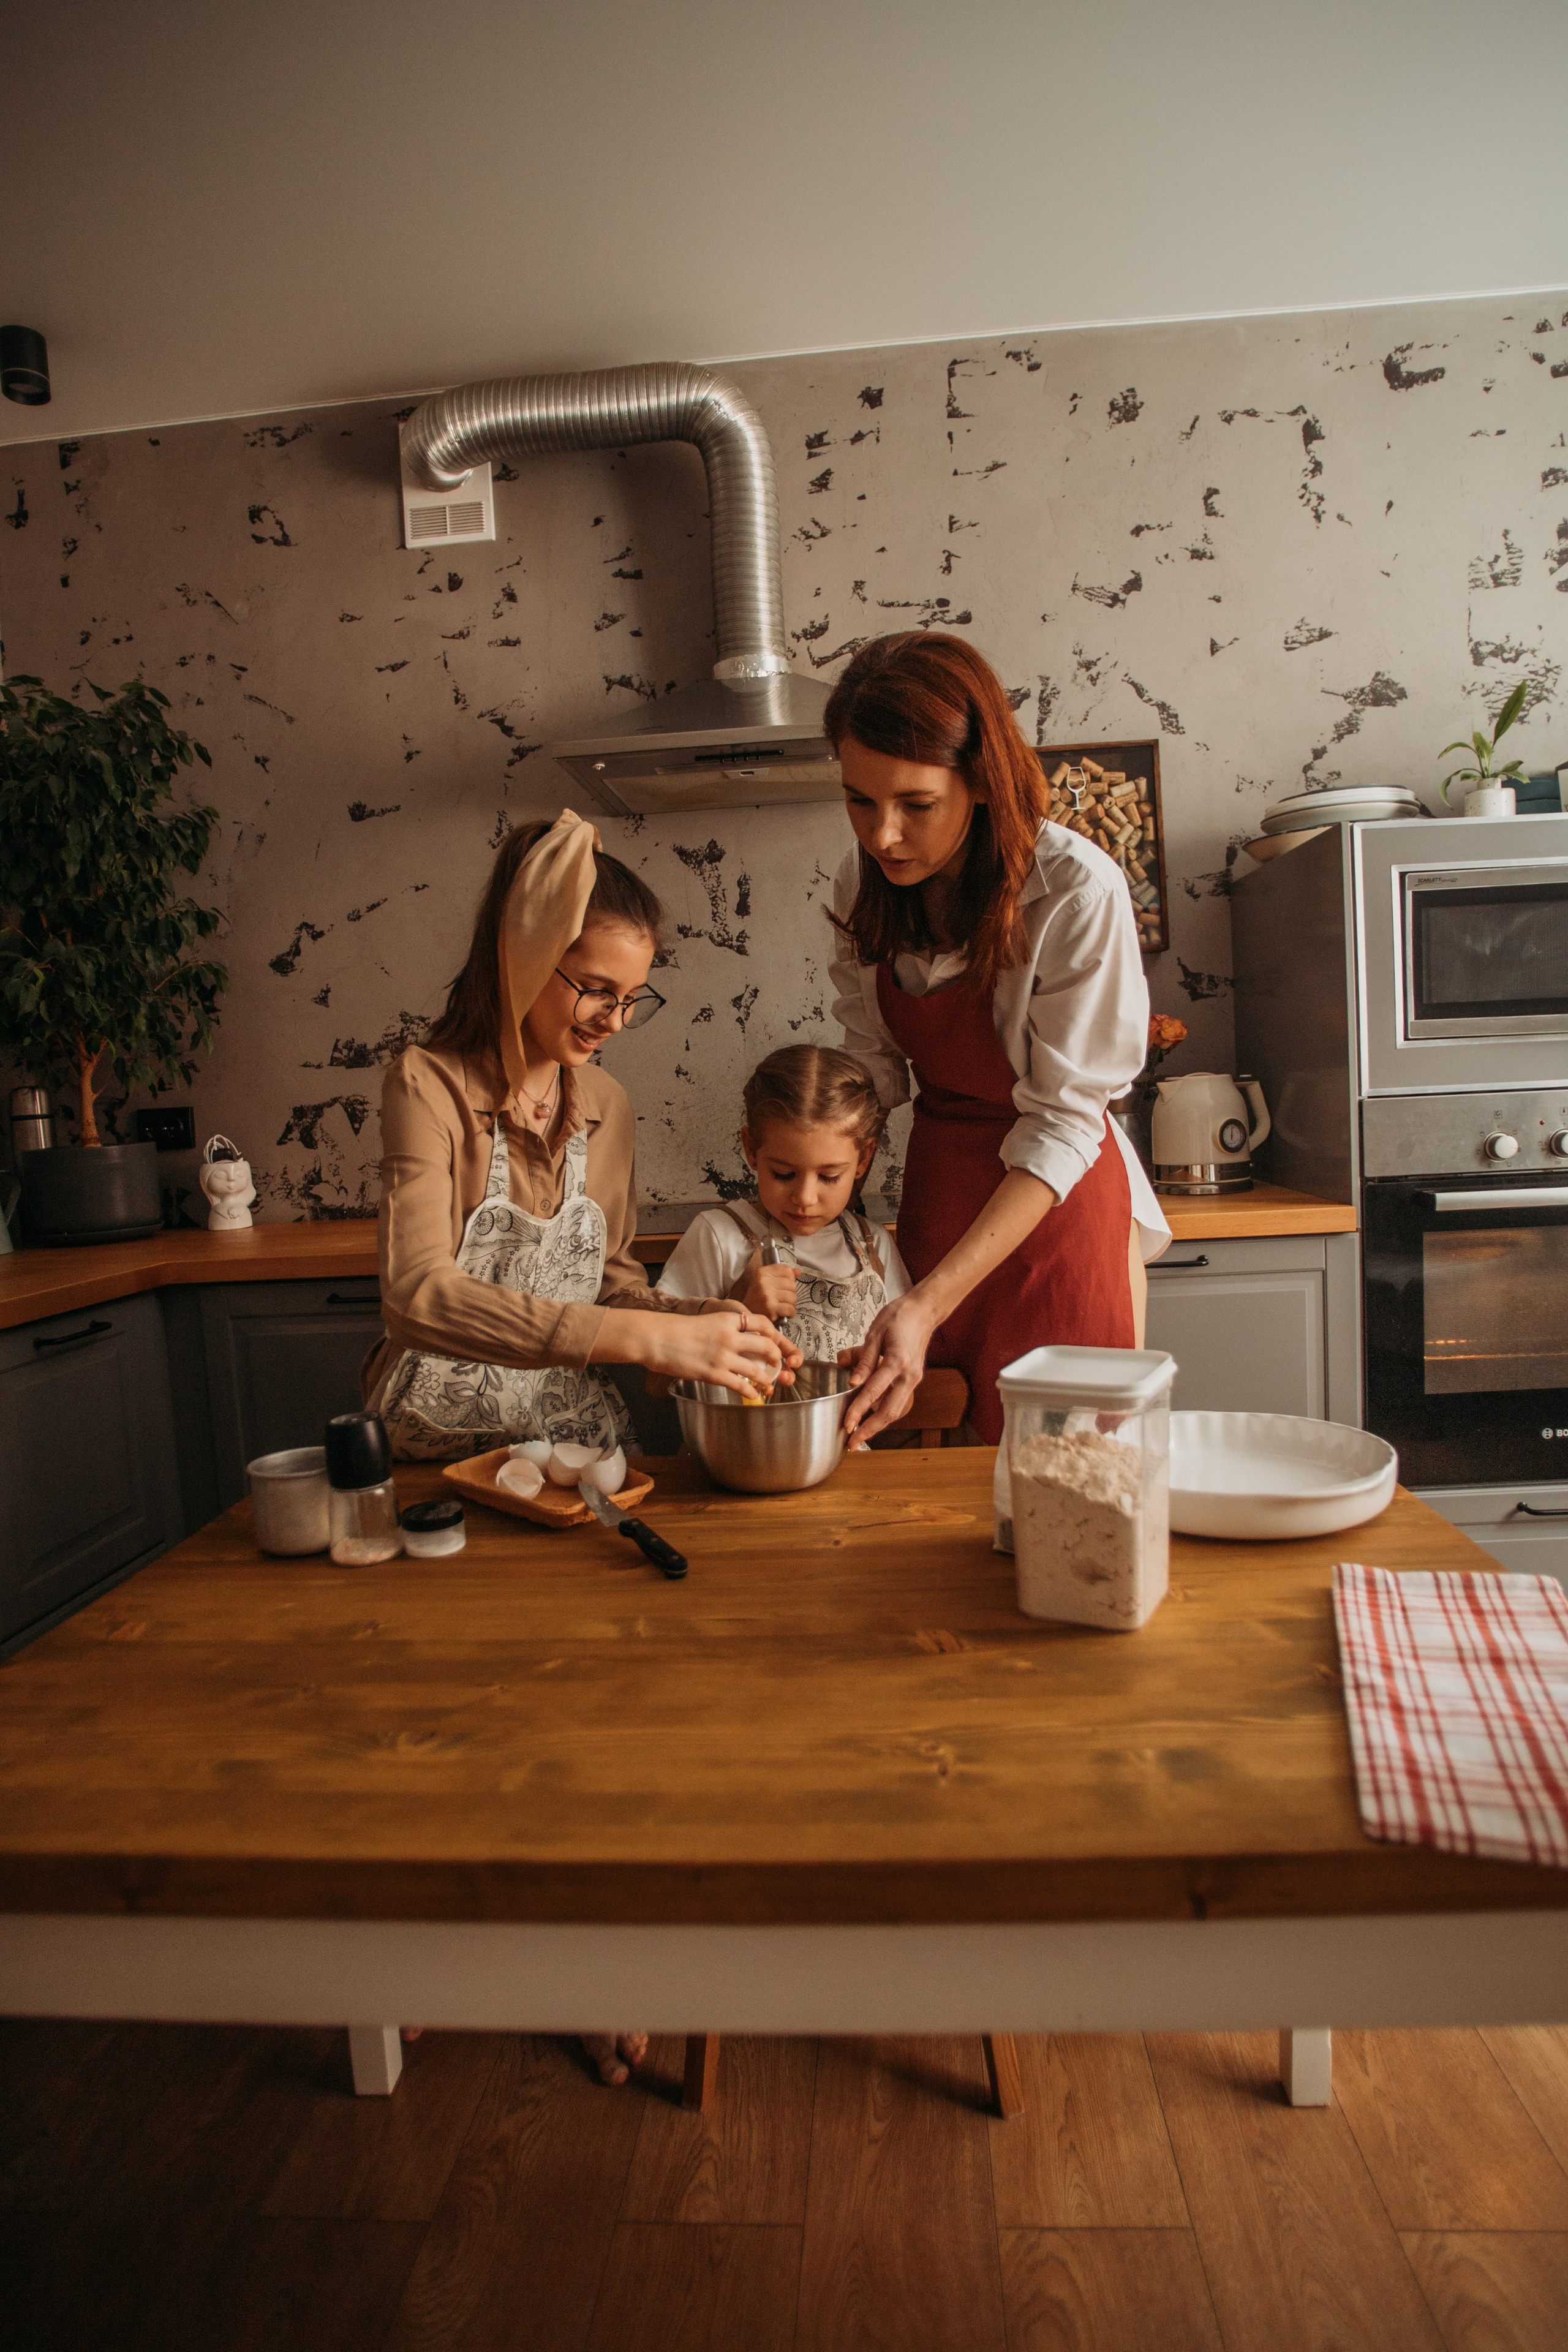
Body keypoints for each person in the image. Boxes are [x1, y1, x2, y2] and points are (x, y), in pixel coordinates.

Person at [364, 810, 796, 1462]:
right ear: (528, 956)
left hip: (571, 1450)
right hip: (438, 1453)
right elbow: (417, 1297)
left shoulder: (606, 1105)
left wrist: (707, 1322)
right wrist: (646, 1341)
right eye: (596, 991)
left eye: (631, 998)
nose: (616, 1021)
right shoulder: (428, 1086)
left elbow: (607, 1287)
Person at [825, 633, 1170, 1446]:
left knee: (1065, 1473)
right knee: (932, 1474)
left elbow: (1063, 1122)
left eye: (915, 805)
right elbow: (870, 1071)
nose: (882, 836)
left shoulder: (1074, 893)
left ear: (980, 780)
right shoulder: (860, 883)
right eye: (859, 801)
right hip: (943, 1190)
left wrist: (923, 1302)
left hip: (1056, 1205)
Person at [657, 1044, 913, 1370]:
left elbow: (902, 1367)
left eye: (829, 1176)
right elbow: (660, 1377)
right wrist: (741, 1313)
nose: (805, 1197)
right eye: (784, 1173)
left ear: (862, 1160)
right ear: (751, 1148)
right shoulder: (719, 1237)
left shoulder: (875, 1246)